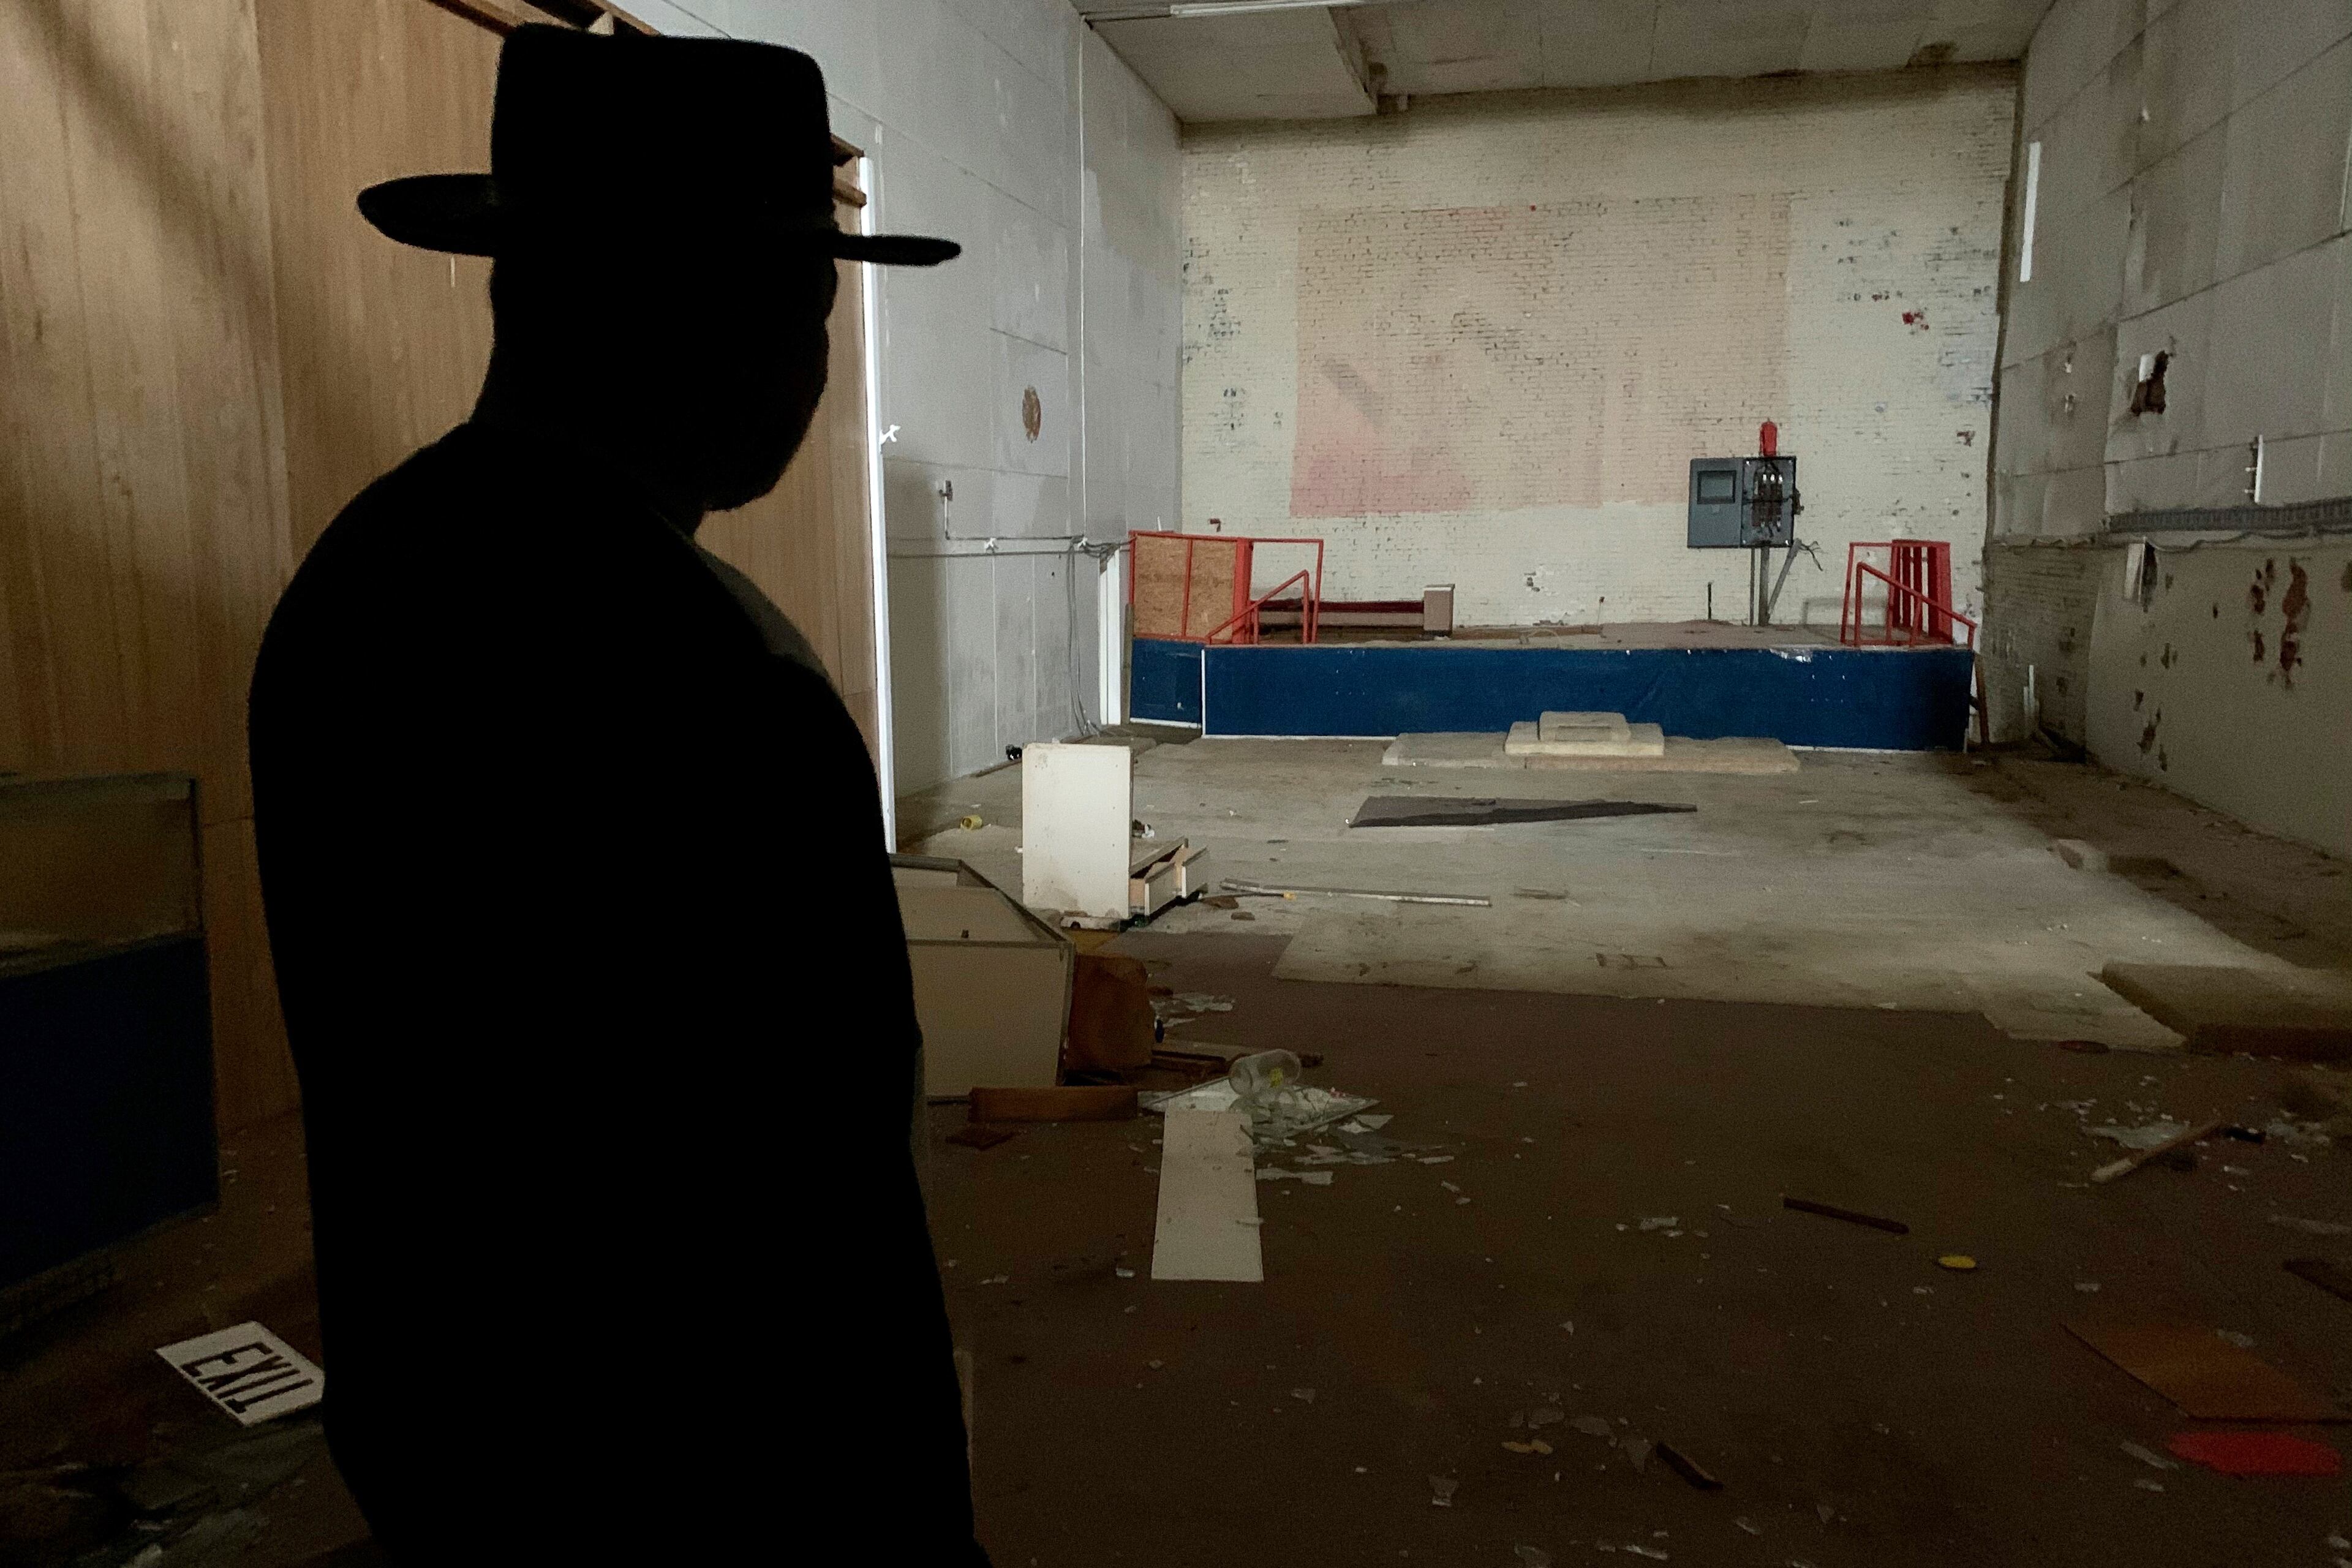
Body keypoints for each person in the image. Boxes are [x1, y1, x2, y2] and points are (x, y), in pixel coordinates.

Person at [247, 26, 984, 1562]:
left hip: (451, 1447)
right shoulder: (717, 680)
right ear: (677, 306)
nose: (815, 348)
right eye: (802, 293)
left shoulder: (355, 585)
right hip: (711, 1488)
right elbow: (823, 1211)